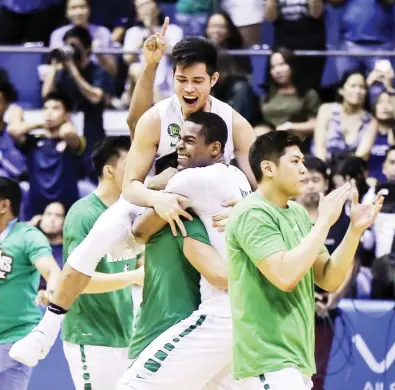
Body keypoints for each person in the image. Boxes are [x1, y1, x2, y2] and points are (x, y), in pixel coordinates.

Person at [8, 21, 256, 365]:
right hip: (154, 203)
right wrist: (157, 198)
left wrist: (246, 208)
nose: (188, 88)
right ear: (173, 77)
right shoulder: (157, 118)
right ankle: (46, 329)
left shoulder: (236, 124)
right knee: (97, 238)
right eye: (181, 80)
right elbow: (132, 185)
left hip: (205, 213)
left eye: (197, 81)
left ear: (213, 80)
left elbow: (261, 188)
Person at [225, 131, 383, 390]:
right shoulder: (252, 212)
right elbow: (285, 277)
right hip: (267, 358)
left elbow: (329, 278)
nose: (303, 170)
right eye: (295, 162)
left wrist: (354, 230)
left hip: (295, 357)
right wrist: (323, 221)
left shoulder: (297, 212)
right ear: (268, 168)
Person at [118, 112, 254, 390]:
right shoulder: (238, 175)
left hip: (220, 311)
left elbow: (141, 230)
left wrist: (161, 183)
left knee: (133, 385)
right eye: (179, 139)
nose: (180, 145)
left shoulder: (193, 179)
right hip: (249, 313)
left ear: (215, 149)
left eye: (189, 141)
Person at [10, 137, 144, 386]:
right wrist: (136, 277)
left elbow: (134, 263)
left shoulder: (129, 213)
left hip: (124, 331)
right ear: (109, 170)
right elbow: (77, 281)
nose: (140, 169)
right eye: (131, 163)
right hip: (90, 333)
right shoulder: (84, 213)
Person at [0, 177, 61, 390]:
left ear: (4, 205)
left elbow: (53, 271)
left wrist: (50, 292)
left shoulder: (28, 236)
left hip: (14, 338)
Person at [9, 92, 85, 220]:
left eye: (55, 108)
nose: (49, 113)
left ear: (67, 114)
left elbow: (67, 133)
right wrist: (40, 124)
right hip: (35, 207)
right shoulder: (33, 141)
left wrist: (66, 122)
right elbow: (13, 131)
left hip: (67, 208)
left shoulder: (74, 142)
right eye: (46, 108)